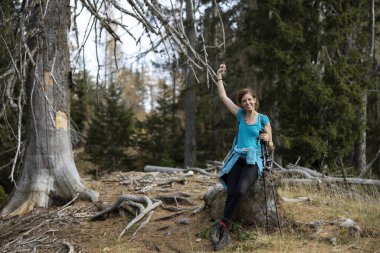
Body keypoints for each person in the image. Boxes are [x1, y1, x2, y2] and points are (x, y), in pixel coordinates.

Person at [210, 64, 274, 251]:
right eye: (244, 101)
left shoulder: (263, 119)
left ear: (255, 100)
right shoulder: (239, 115)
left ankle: (222, 225)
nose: (247, 103)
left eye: (250, 100)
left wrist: (268, 138)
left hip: (254, 160)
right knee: (231, 191)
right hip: (238, 157)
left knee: (240, 190)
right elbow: (223, 97)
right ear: (241, 104)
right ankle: (224, 229)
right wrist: (219, 76)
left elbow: (271, 145)